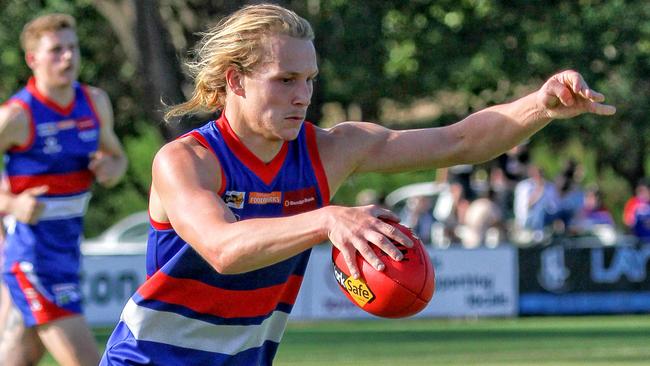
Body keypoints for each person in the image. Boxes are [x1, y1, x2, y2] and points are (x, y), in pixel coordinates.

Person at [101, 4, 615, 365]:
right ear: (234, 81)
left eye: (309, 79)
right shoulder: (187, 160)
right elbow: (223, 248)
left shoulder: (328, 149)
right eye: (285, 80)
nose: (302, 95)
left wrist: (539, 106)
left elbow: (458, 141)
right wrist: (328, 218)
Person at [0, 13, 127, 366]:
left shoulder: (94, 101)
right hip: (31, 256)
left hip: (67, 251)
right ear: (32, 59)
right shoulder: (16, 116)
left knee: (16, 357)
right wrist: (9, 202)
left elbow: (117, 160)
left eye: (72, 48)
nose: (68, 57)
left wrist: (110, 168)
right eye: (56, 50)